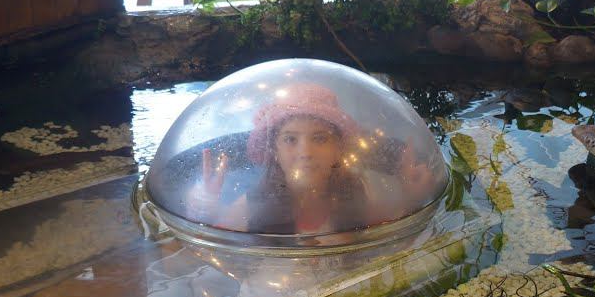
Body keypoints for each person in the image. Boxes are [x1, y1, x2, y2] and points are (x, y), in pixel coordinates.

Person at [187, 84, 437, 239]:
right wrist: (204, 208)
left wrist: (413, 197)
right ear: (274, 151)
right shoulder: (255, 202)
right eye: (290, 139)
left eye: (319, 138)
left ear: (338, 149)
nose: (305, 152)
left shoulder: (357, 192)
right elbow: (214, 244)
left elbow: (390, 235)